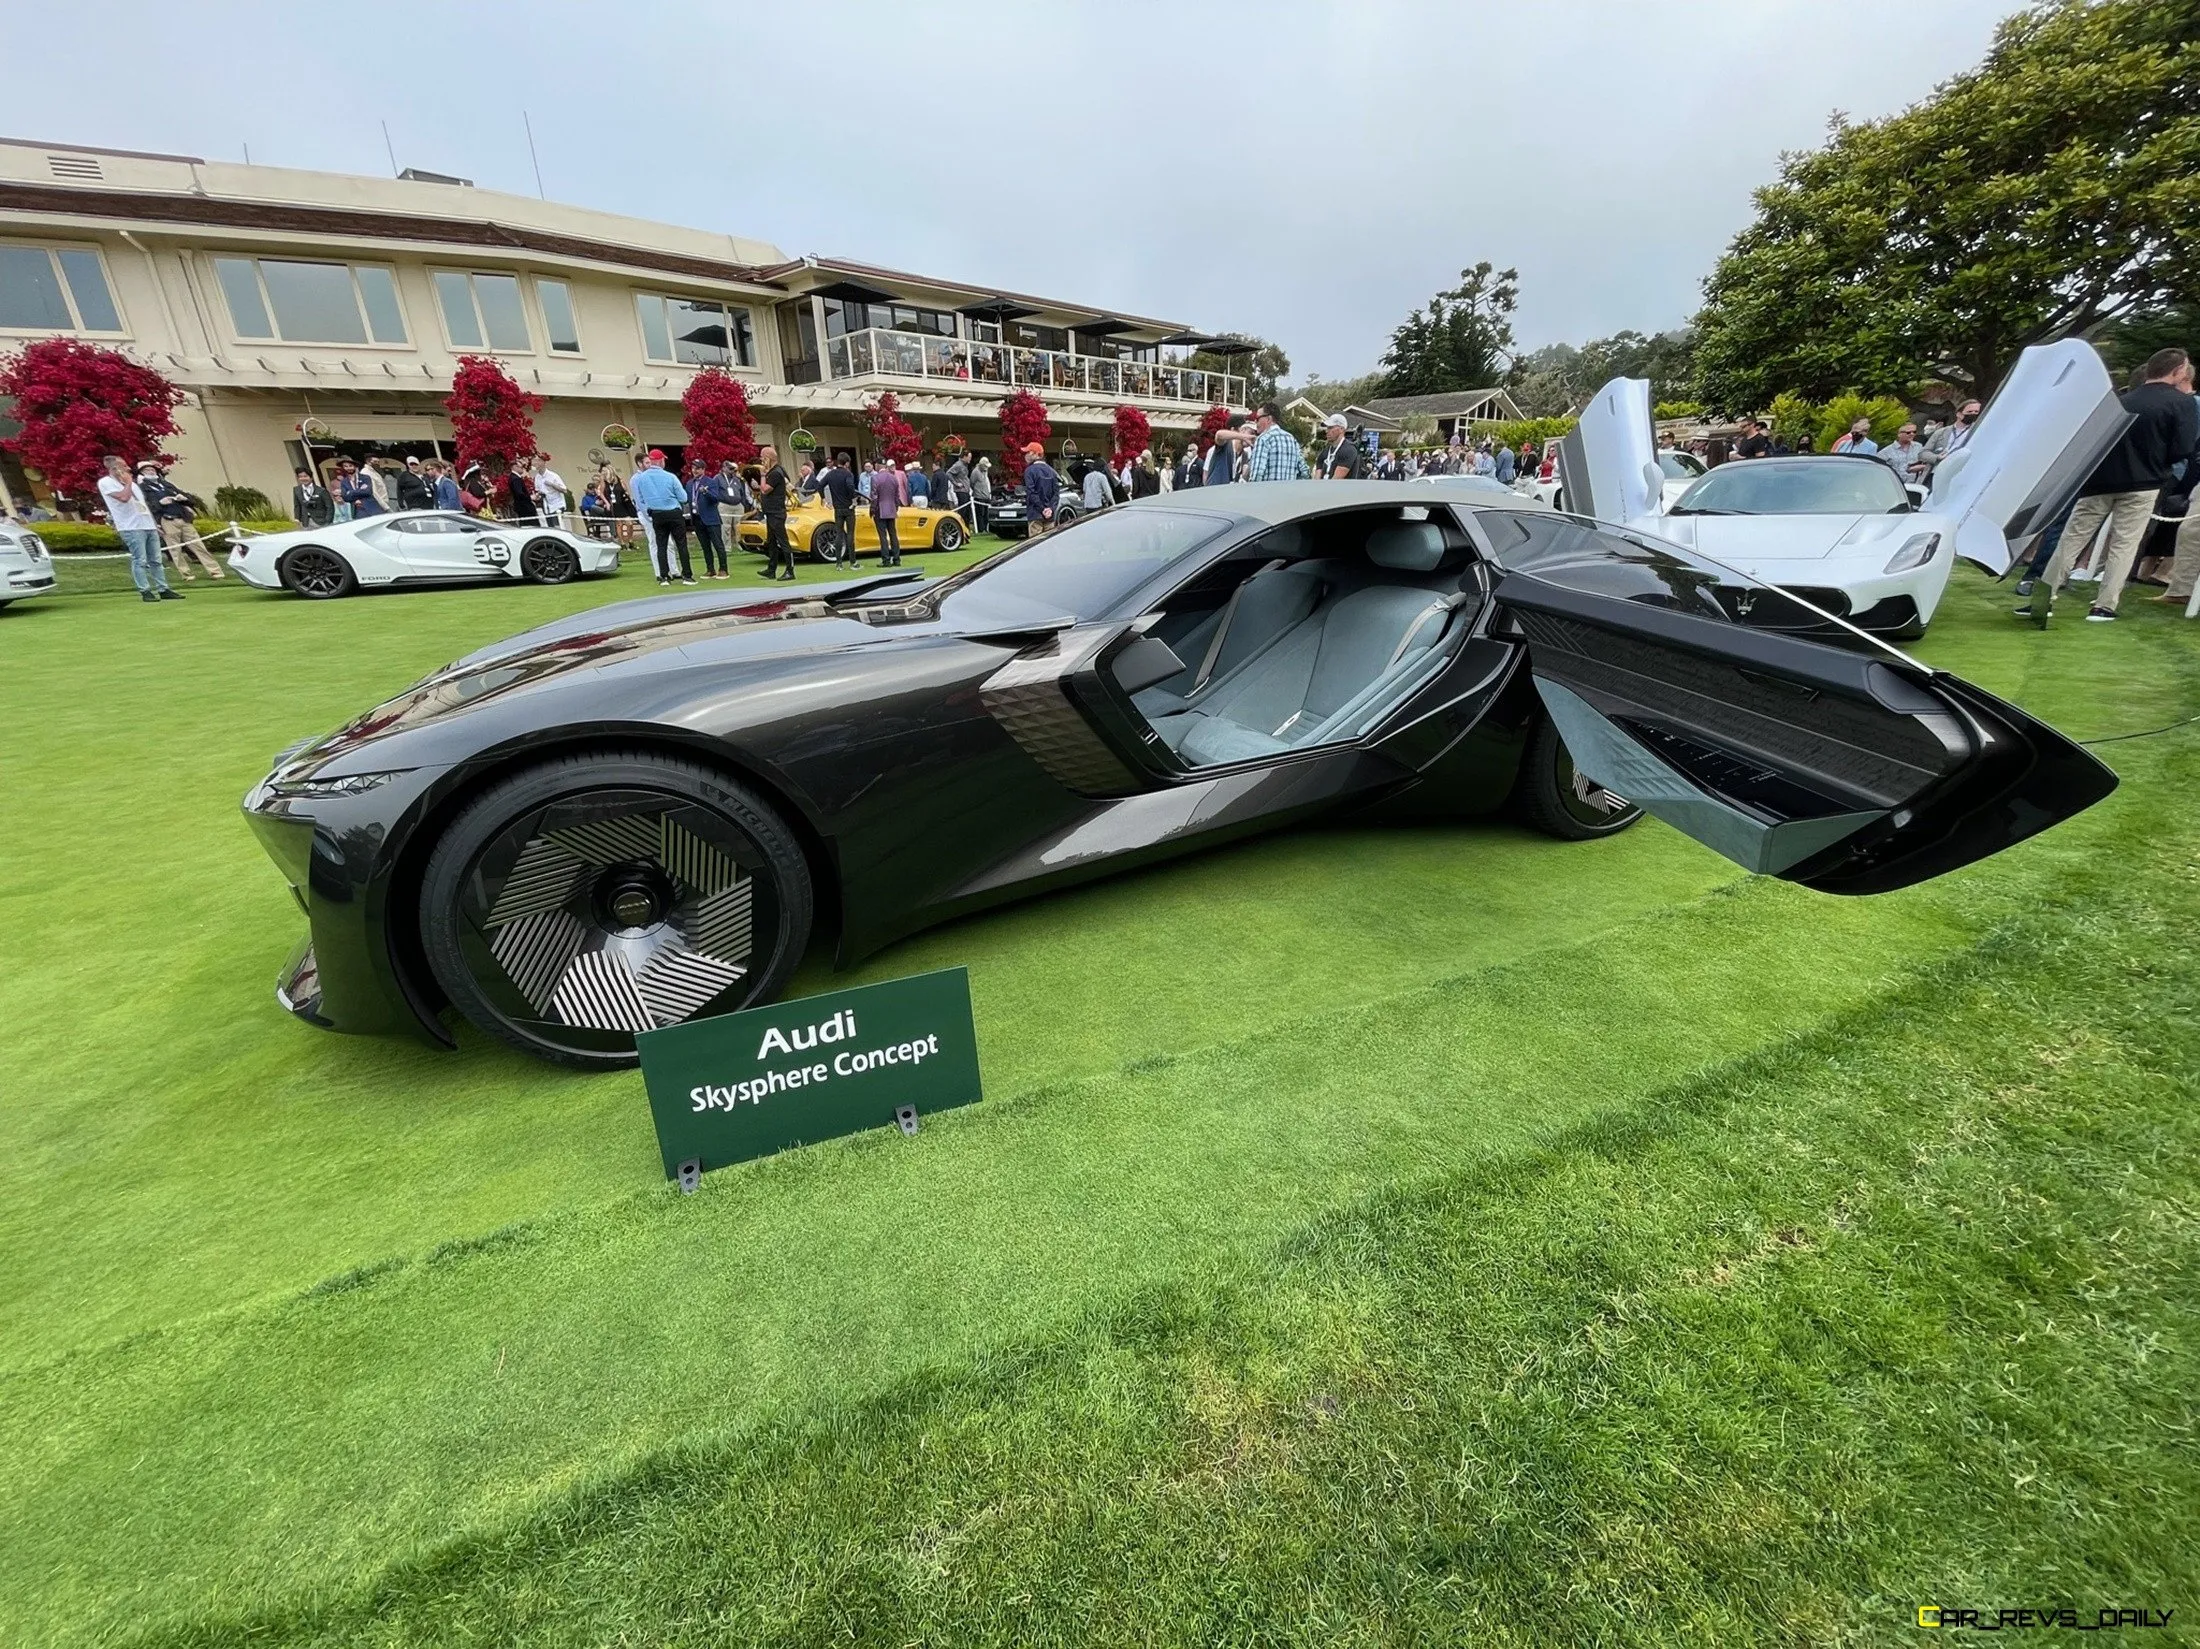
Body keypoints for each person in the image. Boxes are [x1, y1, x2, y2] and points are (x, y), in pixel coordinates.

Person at [2030, 348, 2199, 622]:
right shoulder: (2181, 403)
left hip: (2101, 480)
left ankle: (2044, 596)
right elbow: (2182, 448)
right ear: (2178, 370)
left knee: (2071, 539)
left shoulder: (2121, 400)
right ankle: (2104, 605)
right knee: (2124, 544)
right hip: (2145, 481)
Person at [99, 454, 178, 603]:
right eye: (123, 466)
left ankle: (163, 588)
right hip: (130, 527)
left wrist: (155, 525)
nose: (127, 468)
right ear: (114, 468)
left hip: (147, 525)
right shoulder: (106, 483)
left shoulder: (134, 485)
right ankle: (145, 590)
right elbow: (124, 498)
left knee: (156, 559)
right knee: (140, 560)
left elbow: (143, 506)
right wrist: (127, 483)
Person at [136, 460, 224, 580]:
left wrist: (184, 499)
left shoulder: (166, 485)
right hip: (166, 520)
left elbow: (189, 499)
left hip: (182, 518)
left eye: (152, 470)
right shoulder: (142, 488)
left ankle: (215, 571)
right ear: (142, 473)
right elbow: (143, 507)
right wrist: (159, 504)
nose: (151, 472)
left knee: (198, 546)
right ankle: (186, 574)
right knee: (175, 550)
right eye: (147, 470)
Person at [629, 448, 694, 585]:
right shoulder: (670, 476)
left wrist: (649, 513)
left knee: (661, 545)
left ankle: (664, 577)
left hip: (656, 514)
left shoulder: (641, 479)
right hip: (673, 512)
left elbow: (640, 499)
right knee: (681, 544)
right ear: (660, 461)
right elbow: (683, 497)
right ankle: (687, 576)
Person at [757, 444, 795, 581]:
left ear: (768, 458)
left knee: (783, 541)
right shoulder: (777, 471)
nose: (761, 460)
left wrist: (762, 475)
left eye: (763, 458)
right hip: (771, 512)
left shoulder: (775, 473)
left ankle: (790, 570)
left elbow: (765, 489)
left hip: (776, 512)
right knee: (771, 542)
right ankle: (771, 569)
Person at [690, 460, 733, 580]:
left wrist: (706, 492)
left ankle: (723, 569)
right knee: (705, 546)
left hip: (711, 519)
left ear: (703, 469)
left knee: (718, 545)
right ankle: (710, 569)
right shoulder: (690, 484)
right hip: (697, 518)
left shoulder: (711, 482)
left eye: (698, 468)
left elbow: (716, 498)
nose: (695, 470)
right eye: (693, 468)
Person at [1244, 403, 1309, 482]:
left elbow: (1256, 475)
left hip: (1267, 492)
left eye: (1257, 418)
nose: (1255, 422)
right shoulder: (1292, 439)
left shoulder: (1263, 439)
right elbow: (1305, 471)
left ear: (1268, 419)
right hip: (1289, 493)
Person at [1922, 400, 1981, 476]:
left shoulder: (1977, 431)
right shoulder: (1941, 432)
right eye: (1969, 412)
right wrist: (1937, 457)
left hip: (1962, 473)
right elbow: (1923, 453)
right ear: (1959, 414)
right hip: (1937, 472)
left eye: (1976, 412)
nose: (1973, 414)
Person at [868, 451, 906, 565]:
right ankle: (897, 558)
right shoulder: (893, 478)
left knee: (883, 536)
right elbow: (897, 496)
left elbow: (874, 497)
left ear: (877, 465)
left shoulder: (875, 478)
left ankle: (886, 559)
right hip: (891, 509)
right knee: (893, 535)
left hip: (880, 509)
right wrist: (896, 507)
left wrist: (872, 510)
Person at [1020, 443, 1061, 535]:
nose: (1025, 455)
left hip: (1035, 513)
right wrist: (1050, 509)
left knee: (1035, 544)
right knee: (1049, 542)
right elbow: (1056, 493)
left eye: (1027, 452)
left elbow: (1031, 492)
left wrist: (1042, 509)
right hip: (1050, 515)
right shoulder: (1052, 471)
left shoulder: (1030, 471)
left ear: (1035, 454)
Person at [1881, 423, 1929, 488]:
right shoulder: (1886, 452)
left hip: (1916, 486)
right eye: (1908, 432)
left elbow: (1926, 461)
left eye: (1914, 432)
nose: (1912, 434)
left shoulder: (1919, 446)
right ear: (1899, 434)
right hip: (1895, 486)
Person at [1316, 413, 1361, 480]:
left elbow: (1337, 480)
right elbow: (1317, 478)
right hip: (1325, 488)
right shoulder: (1325, 451)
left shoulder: (1349, 450)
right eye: (1327, 428)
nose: (1327, 431)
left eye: (1331, 427)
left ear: (1341, 429)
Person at [1207, 415, 1250, 486]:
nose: (1251, 437)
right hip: (1214, 492)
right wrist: (1243, 437)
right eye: (1251, 433)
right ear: (1241, 430)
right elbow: (1219, 434)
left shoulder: (1245, 455)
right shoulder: (1225, 444)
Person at [535, 458, 568, 525]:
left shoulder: (553, 475)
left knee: (557, 524)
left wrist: (552, 485)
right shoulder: (537, 477)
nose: (536, 463)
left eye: (539, 461)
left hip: (557, 504)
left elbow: (564, 490)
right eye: (536, 461)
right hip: (546, 505)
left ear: (544, 462)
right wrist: (537, 495)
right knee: (550, 525)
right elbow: (537, 491)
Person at [970, 455, 994, 533]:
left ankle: (986, 528)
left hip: (986, 496)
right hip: (979, 496)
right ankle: (981, 529)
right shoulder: (975, 472)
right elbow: (972, 483)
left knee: (986, 514)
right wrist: (977, 491)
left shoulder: (985, 472)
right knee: (980, 514)